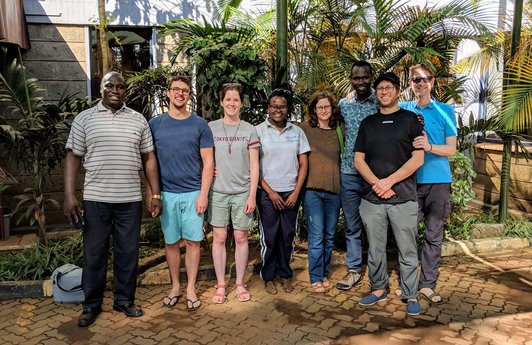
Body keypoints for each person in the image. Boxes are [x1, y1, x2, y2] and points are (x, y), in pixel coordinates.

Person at [63, 71, 162, 327]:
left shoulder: (138, 120)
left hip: (129, 200)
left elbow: (149, 159)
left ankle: (124, 300)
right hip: (96, 199)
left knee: (127, 253)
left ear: (125, 91)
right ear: (101, 90)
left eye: (120, 86)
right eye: (110, 86)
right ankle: (91, 305)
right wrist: (69, 194)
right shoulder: (85, 119)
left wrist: (155, 193)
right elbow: (73, 157)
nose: (115, 90)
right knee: (94, 255)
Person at [354, 72, 424, 316]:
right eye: (380, 88)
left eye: (388, 88)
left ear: (397, 92)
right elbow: (358, 159)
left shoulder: (411, 120)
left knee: (407, 249)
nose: (384, 92)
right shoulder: (368, 124)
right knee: (375, 248)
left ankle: (410, 293)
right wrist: (377, 184)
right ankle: (378, 288)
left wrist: (389, 182)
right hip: (372, 198)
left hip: (403, 197)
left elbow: (418, 158)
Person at [148, 76, 214, 312]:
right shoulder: (155, 124)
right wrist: (152, 194)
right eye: (176, 89)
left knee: (193, 242)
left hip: (193, 192)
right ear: (168, 93)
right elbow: (148, 162)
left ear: (189, 95)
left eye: (185, 90)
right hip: (166, 194)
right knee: (171, 242)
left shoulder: (200, 125)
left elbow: (208, 163)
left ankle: (191, 289)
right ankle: (175, 286)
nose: (180, 93)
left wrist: (204, 194)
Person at [400, 64, 457, 303]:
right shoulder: (402, 109)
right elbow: (378, 102)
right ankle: (409, 284)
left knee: (434, 235)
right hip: (410, 182)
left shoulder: (446, 111)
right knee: (407, 234)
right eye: (416, 80)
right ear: (410, 83)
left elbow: (452, 149)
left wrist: (430, 147)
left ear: (432, 82)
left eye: (426, 79)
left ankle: (427, 284)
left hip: (438, 182)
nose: (421, 83)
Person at [208, 83, 260, 303]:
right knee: (219, 237)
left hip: (242, 192)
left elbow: (255, 165)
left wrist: (252, 195)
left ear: (241, 103)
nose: (232, 103)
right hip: (218, 191)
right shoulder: (210, 128)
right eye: (228, 99)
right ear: (221, 102)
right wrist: (208, 170)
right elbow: (202, 157)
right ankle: (221, 284)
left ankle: (239, 283)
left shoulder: (249, 129)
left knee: (241, 237)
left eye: (236, 100)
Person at [256, 87, 310, 294]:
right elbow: (254, 166)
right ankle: (268, 277)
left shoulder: (297, 132)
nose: (278, 109)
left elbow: (303, 164)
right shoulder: (258, 131)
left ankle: (285, 274)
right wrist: (270, 192)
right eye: (274, 106)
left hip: (291, 193)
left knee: (287, 235)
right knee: (269, 237)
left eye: (282, 106)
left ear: (287, 109)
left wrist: (296, 192)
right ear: (268, 108)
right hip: (267, 194)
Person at [336, 61, 380, 291]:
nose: (361, 81)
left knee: (374, 225)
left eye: (365, 77)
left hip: (374, 175)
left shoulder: (381, 101)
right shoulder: (344, 104)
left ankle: (377, 271)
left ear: (371, 77)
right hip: (349, 174)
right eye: (356, 78)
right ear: (351, 78)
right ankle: (354, 270)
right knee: (352, 226)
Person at [300, 91, 343, 293]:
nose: (323, 110)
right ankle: (315, 277)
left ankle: (325, 272)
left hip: (334, 191)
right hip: (312, 191)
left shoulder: (339, 129)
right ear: (314, 110)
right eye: (320, 107)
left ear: (332, 109)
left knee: (329, 236)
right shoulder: (305, 128)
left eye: (327, 107)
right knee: (316, 236)